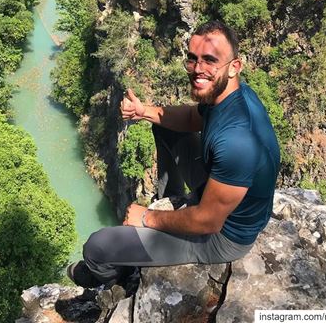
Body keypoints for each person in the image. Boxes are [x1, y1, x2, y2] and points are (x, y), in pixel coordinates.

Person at [67, 20, 281, 288]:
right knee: (165, 126)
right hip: (219, 198)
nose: (198, 69)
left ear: (234, 66)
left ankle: (121, 275)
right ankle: (171, 200)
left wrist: (147, 218)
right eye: (192, 59)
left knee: (97, 248)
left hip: (222, 238)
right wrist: (143, 111)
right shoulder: (230, 95)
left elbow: (207, 222)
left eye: (210, 60)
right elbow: (192, 117)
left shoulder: (237, 142)